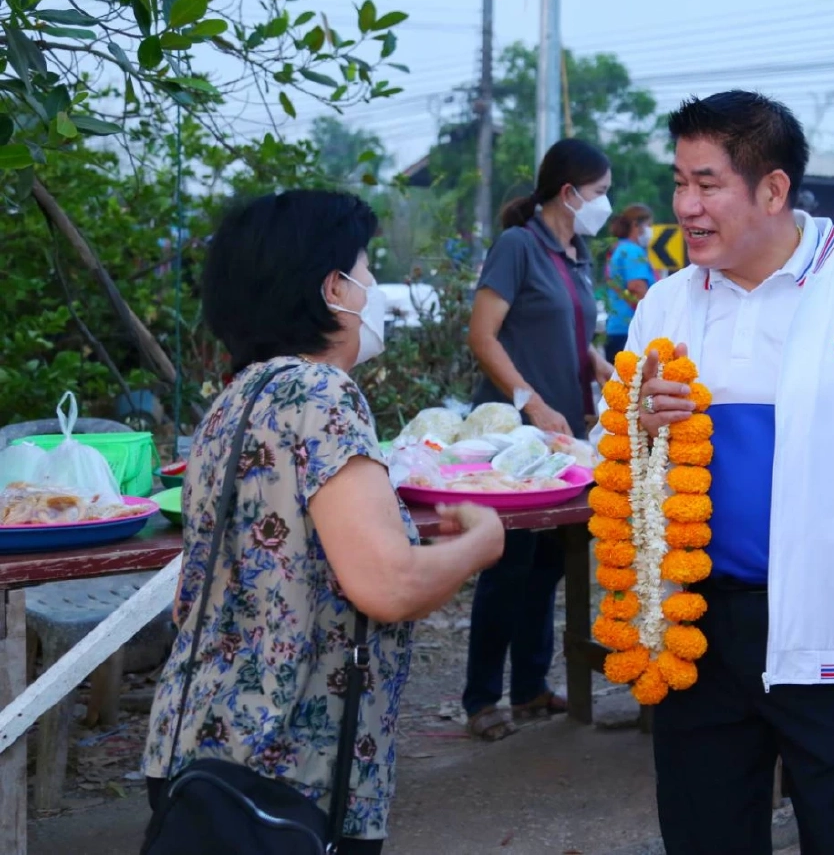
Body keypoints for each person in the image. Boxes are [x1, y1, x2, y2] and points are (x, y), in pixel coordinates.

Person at [613, 90, 834, 855]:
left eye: (707, 184)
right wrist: (639, 425)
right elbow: (626, 465)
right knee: (705, 837)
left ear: (772, 189)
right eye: (679, 183)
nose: (686, 206)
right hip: (696, 624)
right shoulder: (663, 307)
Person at [141, 191, 505, 853]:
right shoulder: (320, 394)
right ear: (334, 288)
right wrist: (481, 544)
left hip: (198, 747)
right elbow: (388, 584)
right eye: (367, 270)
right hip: (286, 770)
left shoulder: (236, 399)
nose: (374, 289)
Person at [463, 137, 616, 740]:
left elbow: (570, 331)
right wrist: (529, 400)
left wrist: (600, 367)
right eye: (601, 193)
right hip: (513, 437)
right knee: (507, 565)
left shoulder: (574, 255)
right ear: (569, 191)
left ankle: (529, 688)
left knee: (550, 566)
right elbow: (483, 335)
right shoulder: (517, 246)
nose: (607, 204)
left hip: (564, 439)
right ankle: (481, 700)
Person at [603, 204, 656, 363]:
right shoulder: (633, 251)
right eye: (648, 225)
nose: (650, 231)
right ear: (635, 225)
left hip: (617, 329)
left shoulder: (619, 249)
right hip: (630, 332)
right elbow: (637, 289)